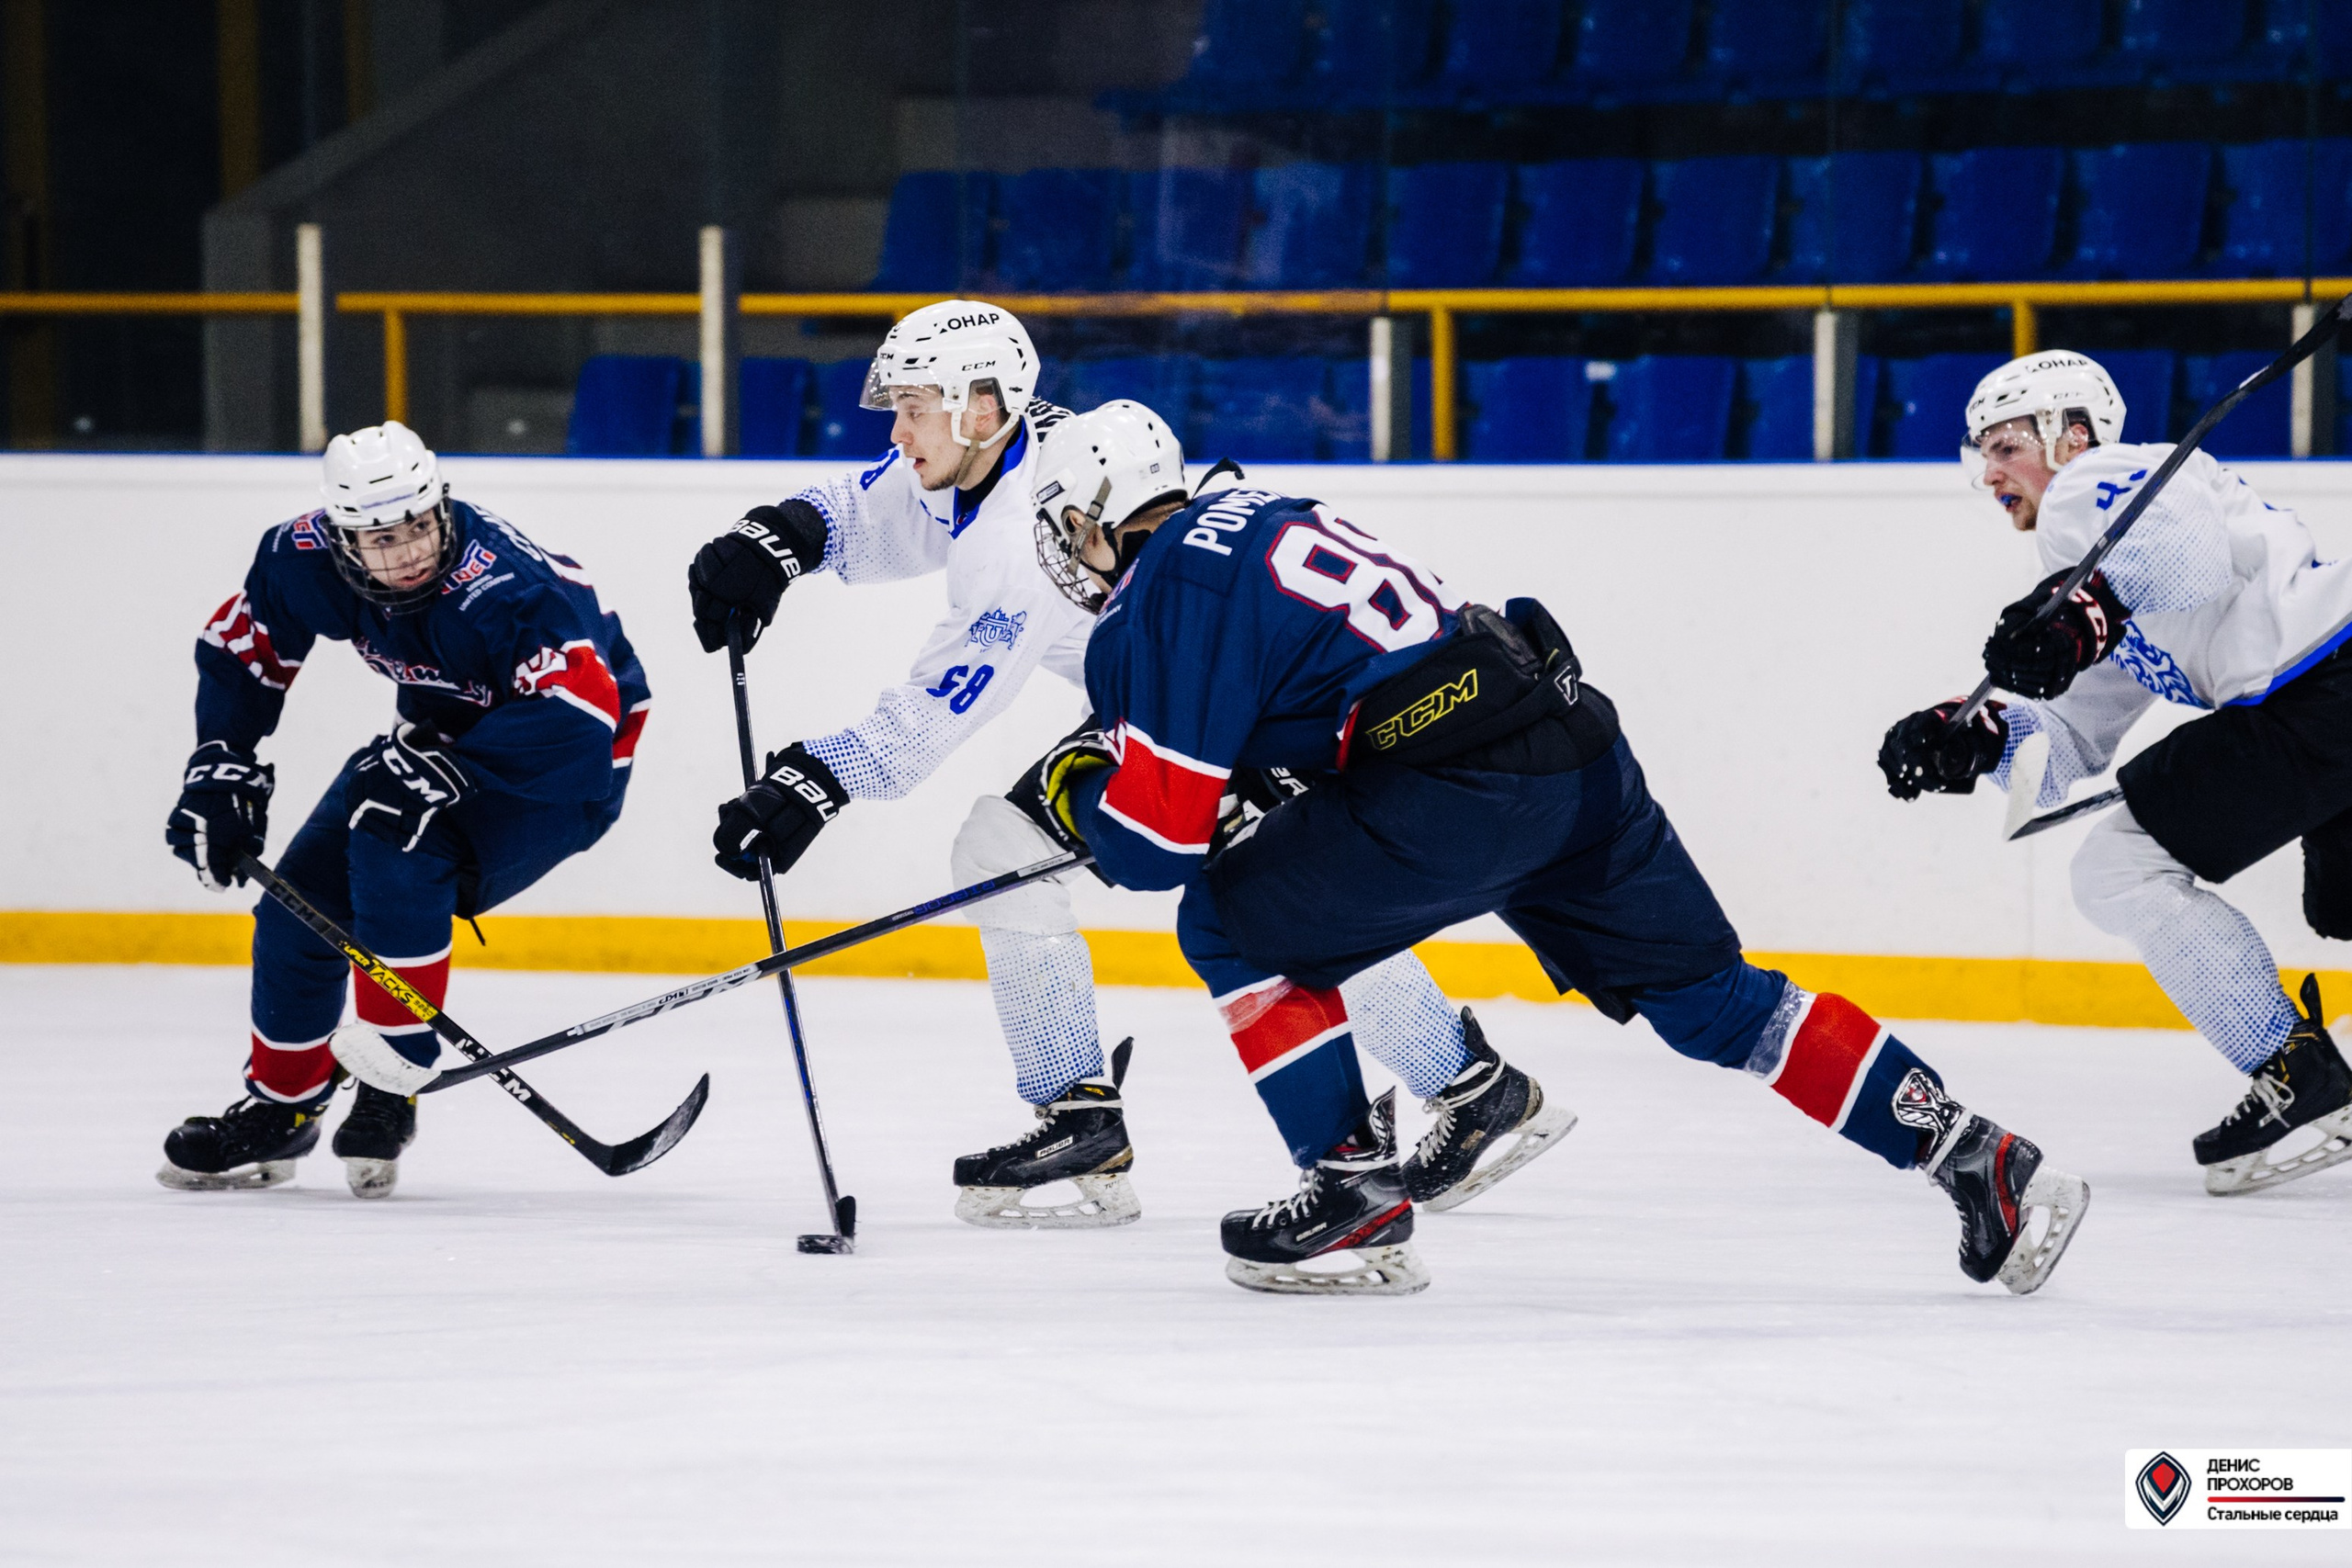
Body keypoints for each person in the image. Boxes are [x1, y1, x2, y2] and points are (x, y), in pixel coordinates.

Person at [1022, 411, 2089, 1297]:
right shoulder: (1260, 514)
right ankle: (1969, 1149)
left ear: (1088, 516)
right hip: (1569, 749)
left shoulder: (1158, 593)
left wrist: (1088, 813)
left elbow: (1161, 845)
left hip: (1457, 793)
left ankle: (1351, 1190)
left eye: (1068, 531)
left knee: (1225, 920)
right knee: (1715, 1001)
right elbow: (1326, 683)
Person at [689, 307, 1568, 1227]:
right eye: (899, 406)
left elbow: (942, 705)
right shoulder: (999, 450)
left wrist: (812, 783)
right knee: (1163, 875)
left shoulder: (1022, 538)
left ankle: (1464, 1091)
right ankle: (1461, 1091)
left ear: (982, 409)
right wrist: (781, 537)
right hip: (1193, 699)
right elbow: (882, 499)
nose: (898, 430)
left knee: (1269, 896)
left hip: (1227, 713)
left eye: (915, 408)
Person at [1880, 349, 2352, 1197]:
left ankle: (2293, 1068)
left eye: (2005, 445)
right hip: (2328, 702)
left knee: (2118, 865)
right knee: (2345, 906)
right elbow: (2072, 741)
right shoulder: (2105, 564)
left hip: (2320, 692)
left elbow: (2188, 554)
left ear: (2069, 435)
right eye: (1979, 453)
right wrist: (1977, 735)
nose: (1990, 472)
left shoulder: (2093, 484)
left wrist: (2078, 618)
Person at [158, 421, 650, 1199]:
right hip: (443, 733)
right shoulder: (302, 557)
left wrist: (453, 770)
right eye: (381, 539)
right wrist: (222, 762)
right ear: (341, 536)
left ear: (441, 507)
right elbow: (247, 644)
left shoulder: (509, 589)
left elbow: (580, 716)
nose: (409, 552)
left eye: (419, 527)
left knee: (397, 837)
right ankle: (281, 1110)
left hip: (563, 767)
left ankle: (394, 1072)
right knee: (296, 907)